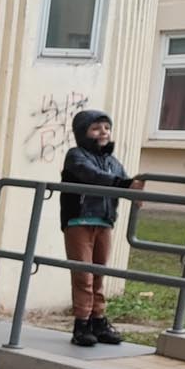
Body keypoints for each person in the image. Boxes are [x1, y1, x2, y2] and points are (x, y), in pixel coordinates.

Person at [60, 108, 146, 347]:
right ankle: (81, 324)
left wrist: (135, 194)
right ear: (82, 132)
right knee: (83, 275)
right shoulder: (76, 156)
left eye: (107, 128)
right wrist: (125, 184)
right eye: (96, 128)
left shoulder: (112, 162)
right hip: (79, 221)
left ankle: (98, 320)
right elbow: (92, 176)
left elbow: (125, 183)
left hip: (104, 222)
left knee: (99, 274)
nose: (103, 132)